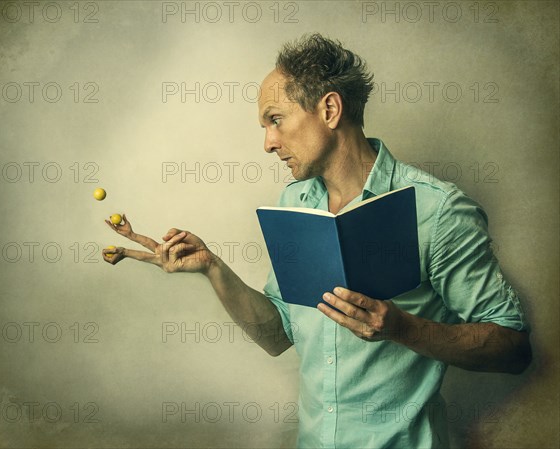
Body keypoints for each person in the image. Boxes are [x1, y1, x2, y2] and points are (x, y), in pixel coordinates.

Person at [102, 34, 531, 449]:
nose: (268, 142)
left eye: (276, 120)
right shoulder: (294, 202)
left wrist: (404, 328)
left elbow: (513, 349)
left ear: (329, 109)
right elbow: (278, 336)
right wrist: (213, 267)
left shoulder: (436, 209)